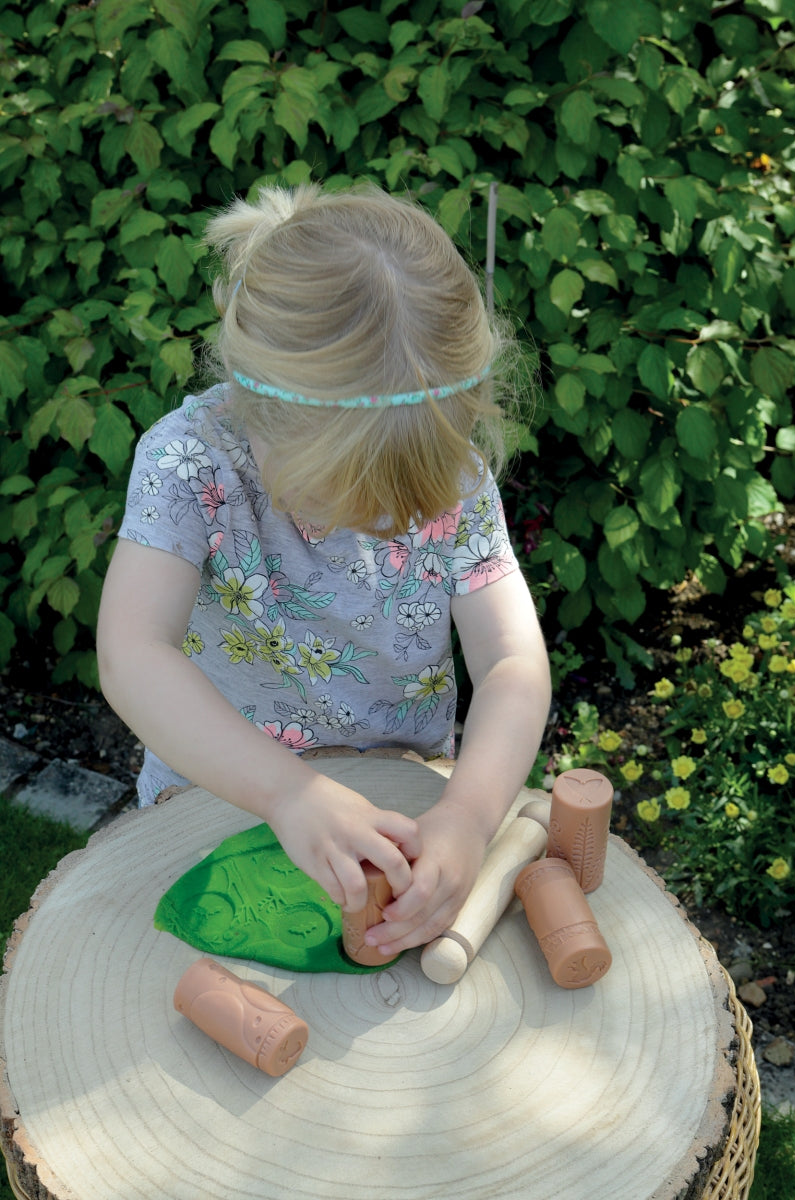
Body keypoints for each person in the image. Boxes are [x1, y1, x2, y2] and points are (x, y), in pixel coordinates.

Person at [97, 183, 551, 957]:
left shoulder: (455, 473)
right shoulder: (191, 463)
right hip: (218, 798)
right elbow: (133, 654)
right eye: (348, 496)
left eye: (408, 499)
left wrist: (470, 818)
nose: (385, 522)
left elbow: (512, 660)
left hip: (404, 806)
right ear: (256, 408)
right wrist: (286, 792)